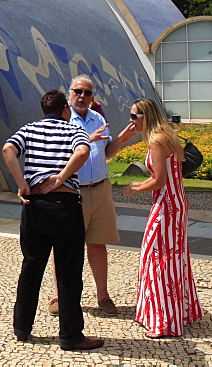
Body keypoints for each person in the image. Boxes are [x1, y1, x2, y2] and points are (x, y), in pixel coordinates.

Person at [2, 89, 105, 351]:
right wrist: (61, 177)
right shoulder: (73, 130)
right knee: (69, 271)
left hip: (34, 206)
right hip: (65, 206)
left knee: (31, 266)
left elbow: (8, 150)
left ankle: (22, 327)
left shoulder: (29, 129)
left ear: (43, 110)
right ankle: (70, 335)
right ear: (64, 110)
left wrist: (22, 184)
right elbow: (82, 152)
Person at [47, 75, 136, 317]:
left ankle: (103, 296)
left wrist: (121, 141)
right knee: (65, 246)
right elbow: (60, 152)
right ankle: (59, 295)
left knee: (98, 243)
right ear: (69, 94)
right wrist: (89, 139)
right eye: (78, 91)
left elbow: (104, 154)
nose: (82, 96)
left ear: (92, 97)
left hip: (100, 189)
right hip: (73, 192)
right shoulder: (63, 119)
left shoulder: (97, 118)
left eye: (87, 93)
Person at [122, 98, 203, 338]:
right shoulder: (166, 135)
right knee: (174, 259)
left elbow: (159, 180)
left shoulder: (157, 140)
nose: (131, 120)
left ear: (146, 116)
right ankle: (181, 311)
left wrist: (134, 188)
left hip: (167, 205)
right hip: (176, 203)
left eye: (134, 116)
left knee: (158, 260)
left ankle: (164, 321)